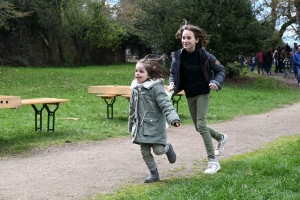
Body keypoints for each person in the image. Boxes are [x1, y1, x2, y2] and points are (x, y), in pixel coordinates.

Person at [168, 21, 228, 174]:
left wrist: (216, 82)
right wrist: (172, 83)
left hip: (203, 92)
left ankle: (213, 162)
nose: (185, 41)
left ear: (197, 40)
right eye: (183, 38)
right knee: (198, 127)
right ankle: (220, 137)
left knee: (201, 125)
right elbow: (173, 74)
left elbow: (220, 70)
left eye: (189, 38)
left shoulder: (205, 56)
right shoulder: (178, 56)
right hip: (189, 94)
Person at [128, 55, 181, 183]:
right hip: (141, 127)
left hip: (155, 126)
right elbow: (132, 109)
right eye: (136, 71)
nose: (137, 74)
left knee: (158, 151)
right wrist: (131, 124)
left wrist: (173, 118)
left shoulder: (155, 88)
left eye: (141, 71)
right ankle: (154, 173)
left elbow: (165, 104)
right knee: (145, 152)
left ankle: (167, 148)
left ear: (150, 74)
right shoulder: (135, 88)